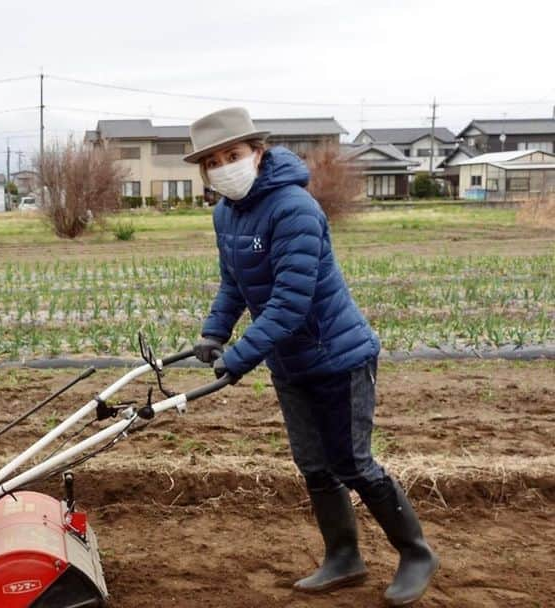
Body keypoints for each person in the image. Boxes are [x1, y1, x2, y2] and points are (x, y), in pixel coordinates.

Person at [184, 107, 438, 606]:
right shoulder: (225, 213)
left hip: (337, 358)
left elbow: (291, 304)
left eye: (233, 155)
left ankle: (416, 554)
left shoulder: (293, 208)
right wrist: (214, 333)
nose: (224, 166)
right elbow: (235, 283)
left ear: (257, 152)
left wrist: (240, 356)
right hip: (290, 362)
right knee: (314, 464)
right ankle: (344, 557)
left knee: (353, 463)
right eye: (213, 160)